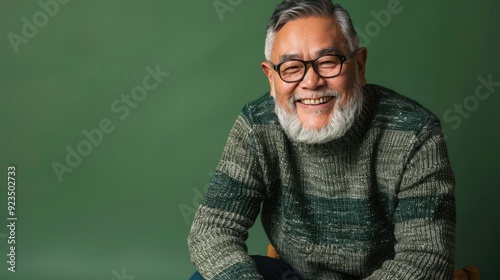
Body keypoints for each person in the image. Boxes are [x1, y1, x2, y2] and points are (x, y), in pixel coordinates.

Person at [188, 0, 456, 279]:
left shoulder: (416, 132)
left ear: (360, 66)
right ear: (271, 78)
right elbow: (212, 229)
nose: (311, 82)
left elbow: (427, 257)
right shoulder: (257, 126)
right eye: (291, 67)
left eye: (328, 62)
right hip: (294, 274)